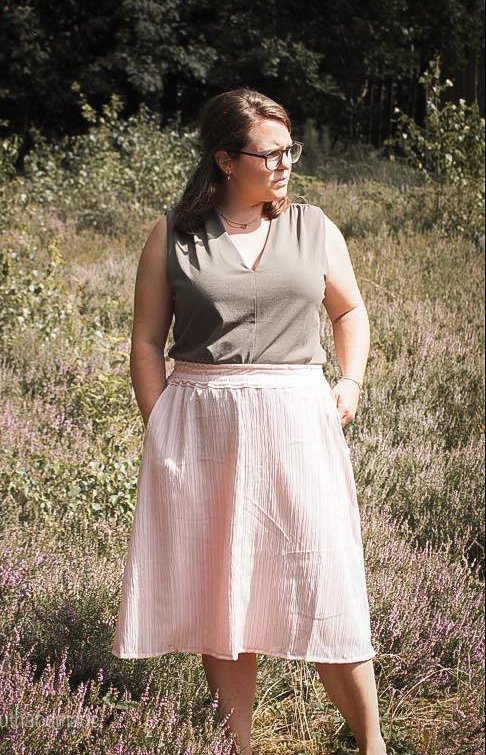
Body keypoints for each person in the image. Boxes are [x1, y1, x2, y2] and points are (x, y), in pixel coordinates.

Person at [112, 87, 387, 755]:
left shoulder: (314, 228)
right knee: (225, 593)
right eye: (271, 153)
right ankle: (237, 745)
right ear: (225, 159)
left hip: (298, 423)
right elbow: (146, 341)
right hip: (203, 428)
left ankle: (374, 744)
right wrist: (160, 424)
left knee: (324, 583)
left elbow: (349, 311)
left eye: (291, 149)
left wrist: (349, 381)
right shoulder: (172, 234)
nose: (286, 163)